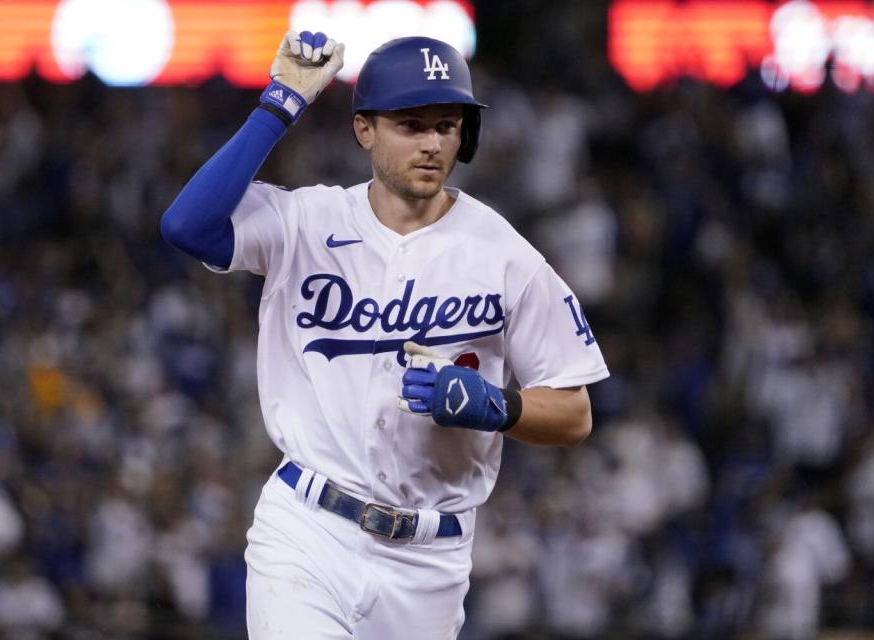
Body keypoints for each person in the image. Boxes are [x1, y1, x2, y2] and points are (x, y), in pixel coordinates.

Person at [160, 30, 609, 639]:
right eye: (410, 124)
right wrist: (278, 104)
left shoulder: (507, 257)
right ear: (364, 129)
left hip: (430, 564)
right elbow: (187, 225)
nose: (431, 143)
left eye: (446, 126)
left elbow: (575, 412)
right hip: (308, 532)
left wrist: (497, 406)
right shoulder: (306, 222)